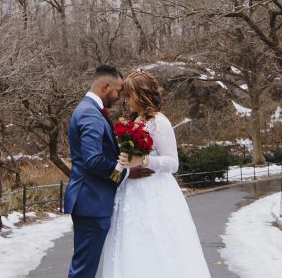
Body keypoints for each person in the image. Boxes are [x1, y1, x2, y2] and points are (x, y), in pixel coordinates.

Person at [102, 70, 211, 277]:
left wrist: (144, 160)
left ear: (141, 94)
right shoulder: (134, 121)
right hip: (131, 192)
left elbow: (173, 163)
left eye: (129, 95)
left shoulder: (160, 122)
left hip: (154, 192)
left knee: (156, 243)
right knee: (131, 242)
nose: (126, 100)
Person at [65, 65, 153, 278]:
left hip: (91, 200)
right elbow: (93, 160)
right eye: (118, 90)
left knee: (85, 265)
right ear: (105, 87)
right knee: (84, 269)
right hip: (91, 201)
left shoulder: (88, 110)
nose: (119, 97)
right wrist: (124, 173)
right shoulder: (90, 113)